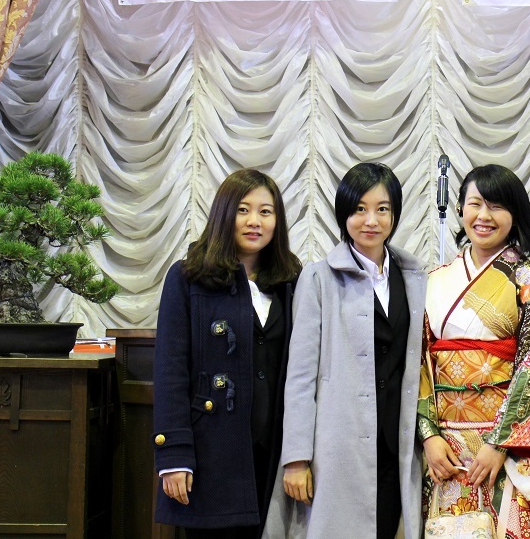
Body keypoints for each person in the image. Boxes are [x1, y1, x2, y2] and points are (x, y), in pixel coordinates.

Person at [273, 162, 426, 539]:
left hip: (396, 444)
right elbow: (301, 375)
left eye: (382, 208)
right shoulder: (318, 277)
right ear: (344, 214)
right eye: (359, 209)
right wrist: (295, 458)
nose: (370, 220)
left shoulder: (415, 277)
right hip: (336, 448)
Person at [419, 164, 530, 539]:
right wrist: (428, 435)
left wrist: (500, 442)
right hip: (447, 448)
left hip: (508, 447)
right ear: (459, 209)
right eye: (475, 204)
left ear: (515, 214)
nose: (484, 216)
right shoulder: (435, 280)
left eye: (497, 207)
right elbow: (418, 363)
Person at [153, 169, 303, 537]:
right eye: (243, 210)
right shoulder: (188, 277)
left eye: (266, 212)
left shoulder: (291, 282)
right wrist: (173, 456)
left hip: (275, 453)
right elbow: (171, 371)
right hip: (212, 453)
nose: (255, 221)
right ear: (224, 214)